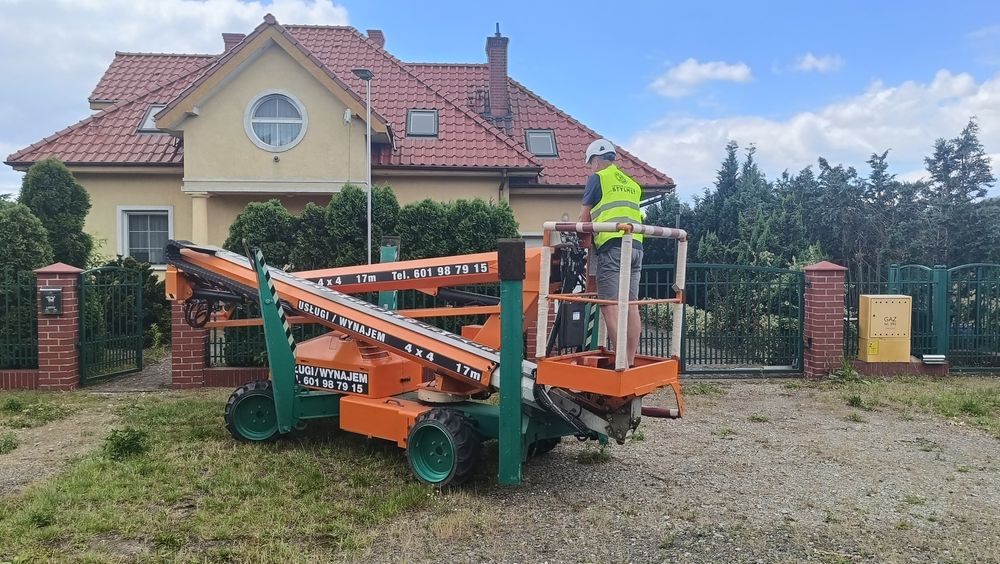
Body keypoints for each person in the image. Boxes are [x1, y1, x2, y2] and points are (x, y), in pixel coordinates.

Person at [579, 138, 644, 367]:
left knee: (608, 303)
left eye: (591, 163)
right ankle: (631, 358)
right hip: (636, 247)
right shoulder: (632, 184)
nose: (591, 167)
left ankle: (621, 361)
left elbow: (584, 218)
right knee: (631, 303)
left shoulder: (598, 178)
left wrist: (580, 238)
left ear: (596, 160)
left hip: (612, 247)